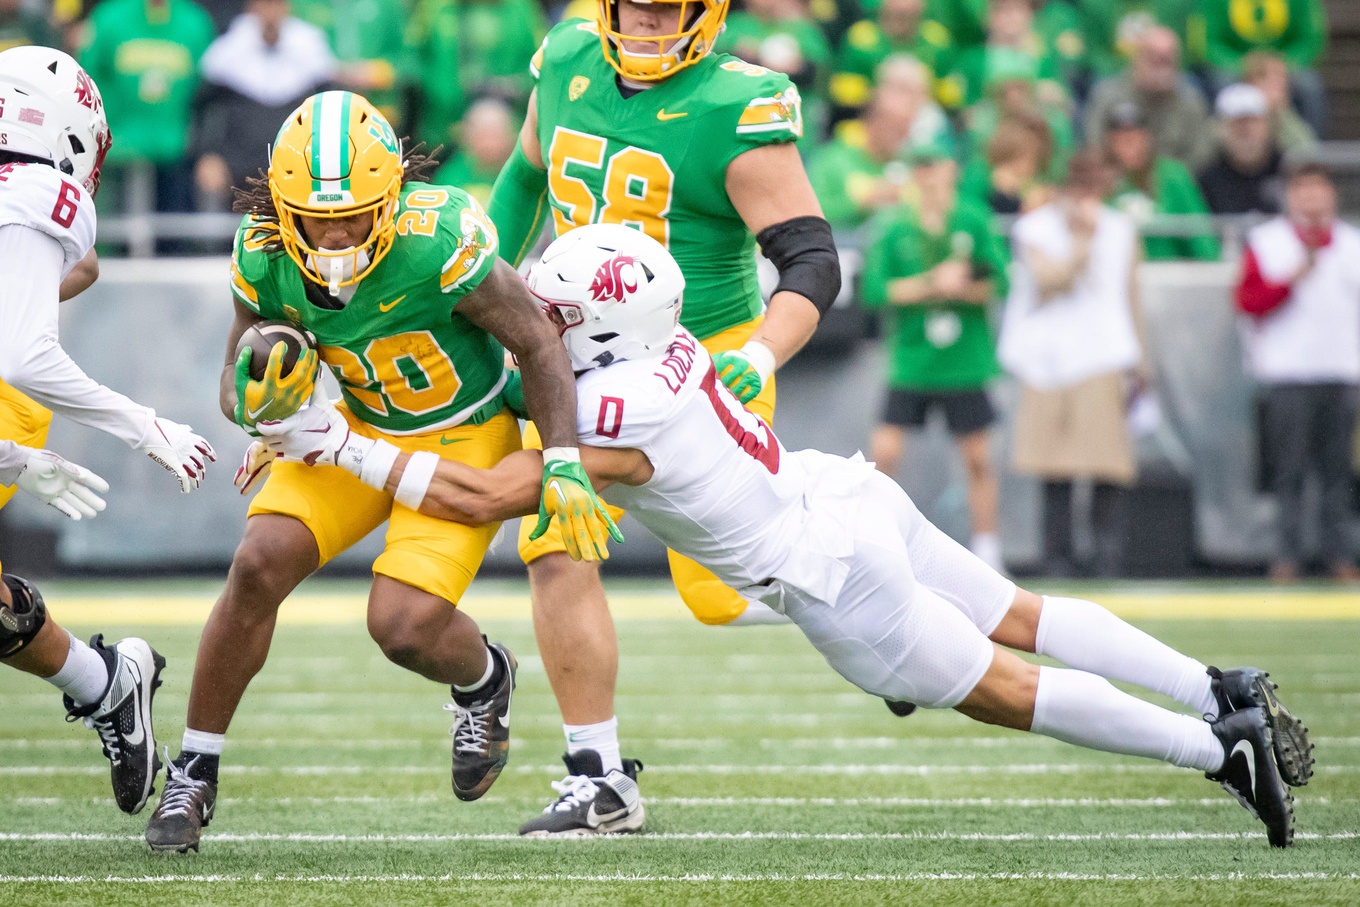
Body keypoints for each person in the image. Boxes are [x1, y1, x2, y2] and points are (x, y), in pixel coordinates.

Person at [262, 222, 1313, 848]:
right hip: (843, 493)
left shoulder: (614, 414)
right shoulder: (667, 346)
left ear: (597, 326)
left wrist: (335, 442)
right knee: (1020, 612)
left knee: (1007, 685)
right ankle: (1210, 683)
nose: (538, 321)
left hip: (824, 571)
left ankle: (1215, 748)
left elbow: (483, 496)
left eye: (556, 310)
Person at [142, 90, 614, 853]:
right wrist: (266, 410)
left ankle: (486, 676)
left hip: (463, 433)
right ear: (284, 205)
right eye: (317, 216)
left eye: (354, 213)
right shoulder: (263, 250)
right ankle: (194, 770)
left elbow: (537, 340)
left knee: (400, 627)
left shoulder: (438, 239)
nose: (333, 232)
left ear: (391, 198)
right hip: (353, 425)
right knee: (257, 565)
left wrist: (559, 456)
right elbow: (234, 375)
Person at [486, 0, 839, 834]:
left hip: (695, 358)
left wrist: (756, 357)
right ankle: (597, 776)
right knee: (554, 540)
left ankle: (872, 597)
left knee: (720, 593)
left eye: (671, 11)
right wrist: (481, 289)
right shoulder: (567, 55)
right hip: (573, 356)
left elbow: (812, 258)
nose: (652, 28)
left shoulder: (735, 104)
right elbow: (523, 182)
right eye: (639, 9)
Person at [0, 45, 217, 816]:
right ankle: (110, 685)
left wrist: (141, 423)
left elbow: (22, 352)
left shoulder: (31, 185)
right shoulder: (33, 184)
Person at [861, 138, 1009, 572]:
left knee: (979, 456)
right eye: (920, 167)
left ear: (951, 169)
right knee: (885, 453)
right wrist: (932, 283)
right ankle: (877, 542)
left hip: (964, 358)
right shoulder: (894, 226)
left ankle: (988, 548)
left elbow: (999, 282)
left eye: (935, 166)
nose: (928, 176)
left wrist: (961, 286)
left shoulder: (973, 219)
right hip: (912, 358)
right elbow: (875, 291)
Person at [999, 151, 1144, 578]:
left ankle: (1105, 556)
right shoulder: (1034, 230)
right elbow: (1049, 280)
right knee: (1054, 465)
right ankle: (1057, 555)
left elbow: (1130, 294)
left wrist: (1142, 361)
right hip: (1049, 357)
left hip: (1103, 353)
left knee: (1106, 463)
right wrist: (1081, 244)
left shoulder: (1121, 230)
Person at [1235, 163, 1360, 584]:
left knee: (1336, 472)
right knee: (1290, 470)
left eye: (1318, 191)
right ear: (1290, 197)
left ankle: (1338, 555)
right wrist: (1291, 280)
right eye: (1303, 192)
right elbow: (1249, 301)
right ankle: (1287, 555)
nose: (1311, 201)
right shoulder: (1267, 243)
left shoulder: (1351, 243)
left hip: (1340, 370)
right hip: (1288, 371)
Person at [78, 0, 216, 221]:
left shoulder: (194, 22)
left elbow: (208, 88)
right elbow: (89, 79)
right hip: (117, 153)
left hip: (179, 153)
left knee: (174, 233)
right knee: (115, 230)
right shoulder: (108, 18)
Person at [191, 0, 336, 211]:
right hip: (237, 169)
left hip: (299, 167)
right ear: (251, 7)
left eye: (276, 4)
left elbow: (328, 111)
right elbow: (203, 111)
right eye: (264, 4)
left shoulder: (311, 47)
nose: (270, 12)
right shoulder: (228, 51)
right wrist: (207, 155)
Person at [1084, 26, 1214, 172]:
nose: (1160, 69)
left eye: (1166, 60)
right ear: (1136, 59)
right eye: (1153, 59)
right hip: (1118, 181)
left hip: (1173, 184)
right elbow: (1094, 149)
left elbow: (1201, 157)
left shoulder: (1191, 101)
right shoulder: (1108, 95)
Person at [1102, 100, 1219, 261]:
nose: (1129, 143)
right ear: (1109, 141)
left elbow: (1200, 235)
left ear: (1148, 137)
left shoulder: (1173, 176)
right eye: (1121, 138)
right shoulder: (1100, 180)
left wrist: (1210, 268)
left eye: (1135, 135)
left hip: (1169, 275)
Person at [1202, 0, 1328, 139]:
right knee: (1224, 81)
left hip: (1285, 64)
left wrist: (1284, 63)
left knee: (1309, 84)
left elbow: (1311, 40)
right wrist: (1242, 65)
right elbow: (1208, 43)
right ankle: (1220, 145)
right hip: (1237, 67)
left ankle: (1316, 151)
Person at [807, 89, 915, 231]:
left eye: (906, 129)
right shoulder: (833, 159)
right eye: (896, 129)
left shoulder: (911, 165)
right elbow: (810, 214)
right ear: (872, 122)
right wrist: (863, 202)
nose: (903, 137)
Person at [1198, 84, 1287, 216]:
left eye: (1253, 122)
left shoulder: (1288, 170)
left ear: (1268, 125)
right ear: (1220, 130)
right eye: (1236, 124)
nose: (1245, 132)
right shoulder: (1206, 181)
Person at [959, 112, 1053, 215]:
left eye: (1034, 158)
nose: (1026, 165)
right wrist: (995, 188)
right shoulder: (979, 172)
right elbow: (965, 207)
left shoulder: (1032, 184)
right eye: (1022, 156)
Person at [432, 98, 518, 208]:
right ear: (468, 136)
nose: (489, 144)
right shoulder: (450, 177)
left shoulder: (515, 176)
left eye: (494, 135)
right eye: (483, 135)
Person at [1242, 51, 1317, 156]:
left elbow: (1307, 152)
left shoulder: (1288, 118)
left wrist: (1279, 115)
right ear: (1248, 83)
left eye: (1281, 79)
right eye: (1267, 80)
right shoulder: (1233, 116)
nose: (1277, 86)